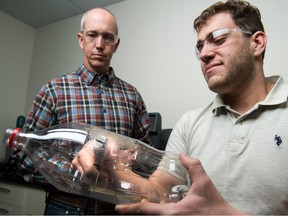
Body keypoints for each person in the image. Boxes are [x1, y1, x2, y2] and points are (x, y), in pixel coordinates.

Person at [115, 0, 288, 215]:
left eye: (218, 39)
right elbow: (157, 191)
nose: (204, 54)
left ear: (257, 43)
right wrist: (108, 172)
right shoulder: (189, 123)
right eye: (200, 46)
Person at [11, 7, 151, 215]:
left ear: (116, 44)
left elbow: (146, 159)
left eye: (107, 37)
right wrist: (72, 172)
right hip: (66, 208)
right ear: (80, 40)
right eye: (92, 35)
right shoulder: (54, 90)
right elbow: (23, 154)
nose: (100, 45)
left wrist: (130, 160)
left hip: (116, 210)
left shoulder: (133, 96)